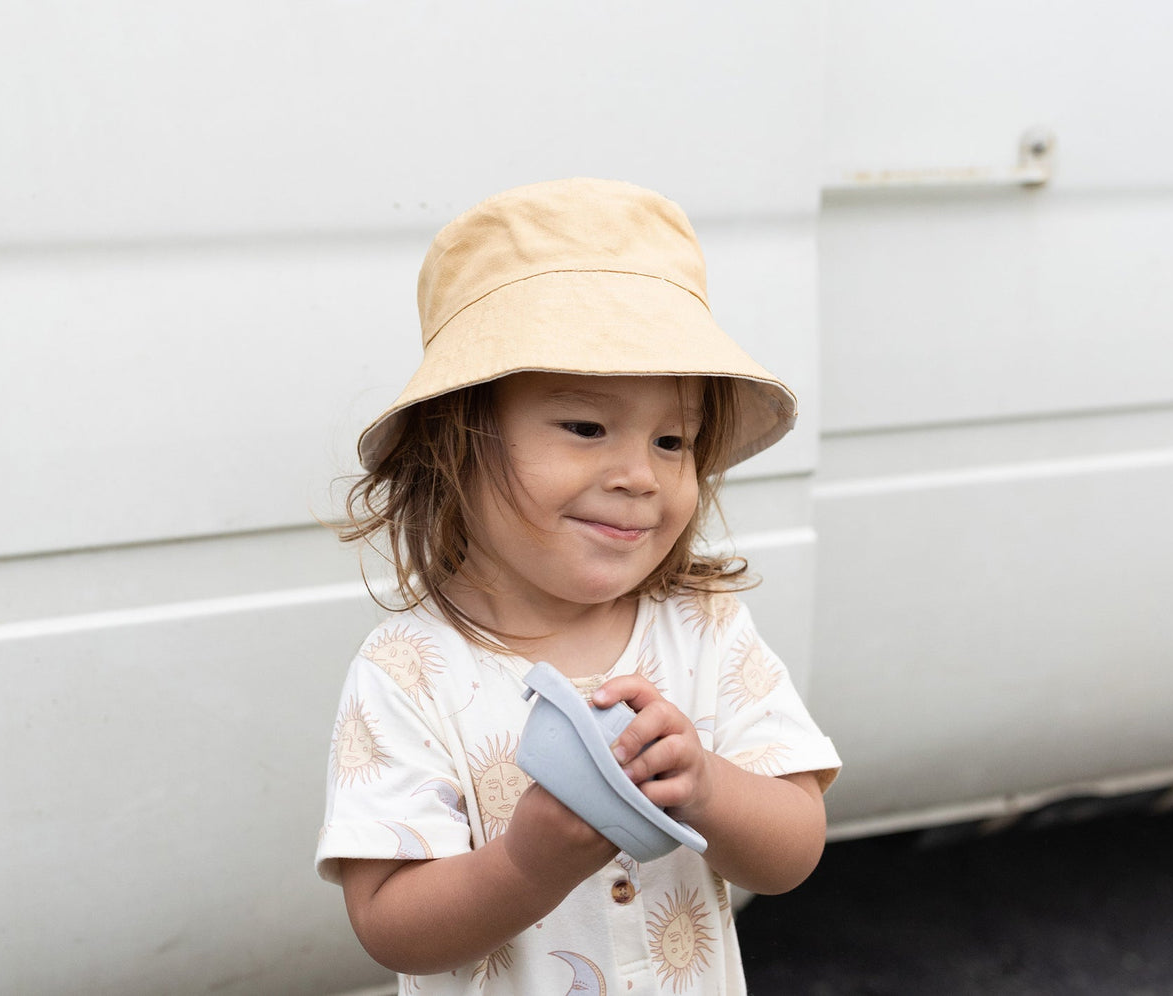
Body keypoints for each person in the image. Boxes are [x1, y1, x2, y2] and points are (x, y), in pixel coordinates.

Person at [316, 177, 841, 995]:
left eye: (672, 440)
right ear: (458, 440)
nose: (639, 474)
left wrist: (705, 784)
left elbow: (793, 848)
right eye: (587, 427)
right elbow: (390, 926)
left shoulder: (701, 630)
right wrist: (525, 865)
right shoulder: (408, 670)